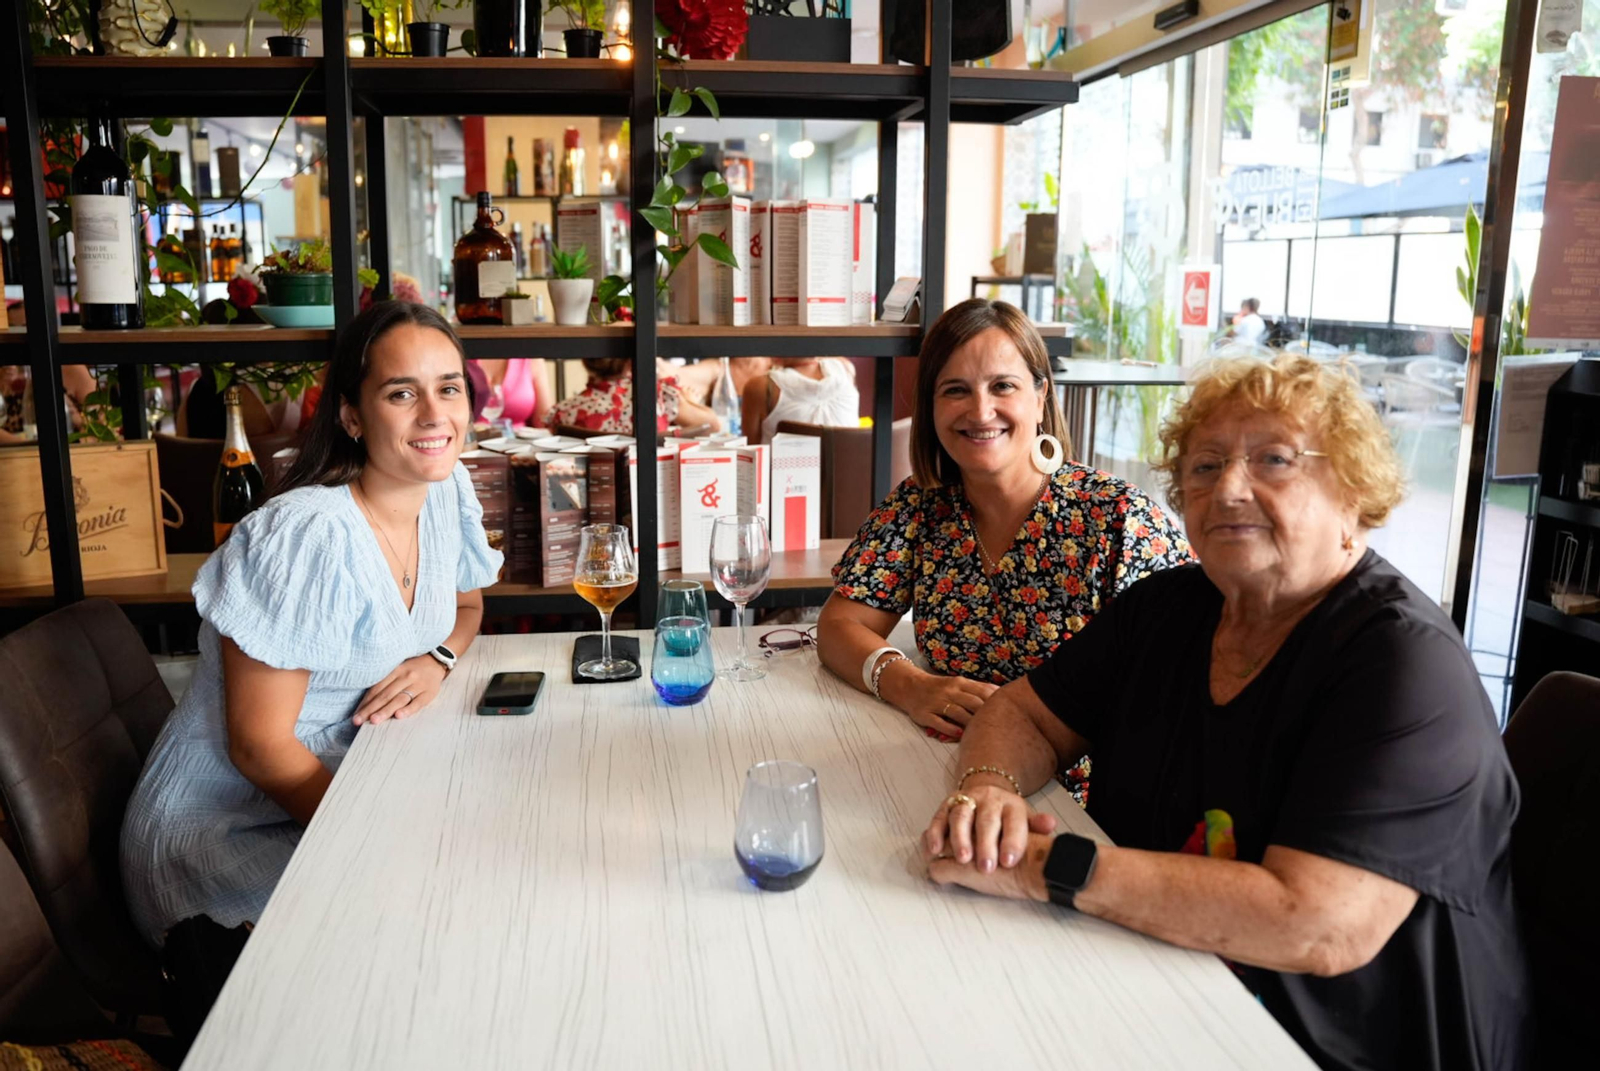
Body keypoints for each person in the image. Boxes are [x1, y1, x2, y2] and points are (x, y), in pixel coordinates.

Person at [919, 353, 1530, 1071]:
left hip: (1327, 1044)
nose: (1229, 488)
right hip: (1157, 981)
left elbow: (1314, 924)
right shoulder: (1169, 607)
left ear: (1355, 494)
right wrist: (989, 786)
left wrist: (1042, 867)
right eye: (1204, 467)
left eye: (1274, 459)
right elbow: (1025, 713)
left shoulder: (1404, 666)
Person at [120, 302, 503, 1042]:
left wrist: (438, 658)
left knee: (477, 876)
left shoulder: (442, 488)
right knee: (443, 908)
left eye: (449, 387)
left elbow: (468, 605)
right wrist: (379, 835)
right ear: (353, 417)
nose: (435, 413)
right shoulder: (303, 535)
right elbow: (260, 746)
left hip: (343, 787)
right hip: (217, 836)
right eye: (402, 392)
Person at [817, 299, 1193, 748]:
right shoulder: (920, 504)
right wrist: (908, 684)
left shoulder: (1120, 519)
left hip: (1084, 797)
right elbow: (838, 625)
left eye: (1002, 386)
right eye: (955, 390)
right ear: (931, 407)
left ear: (1040, 398)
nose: (980, 411)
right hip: (943, 762)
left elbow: (1177, 690)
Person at [545, 357, 718, 436]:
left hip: (591, 499)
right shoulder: (656, 397)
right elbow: (713, 425)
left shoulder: (563, 413)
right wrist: (688, 400)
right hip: (654, 489)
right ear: (630, 362)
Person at [741, 357, 861, 444]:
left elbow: (750, 453)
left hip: (785, 478)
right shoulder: (846, 368)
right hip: (850, 477)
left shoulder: (762, 387)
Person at [473, 356, 554, 429]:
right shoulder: (462, 357)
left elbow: (545, 423)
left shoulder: (532, 358)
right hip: (470, 442)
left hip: (520, 443)